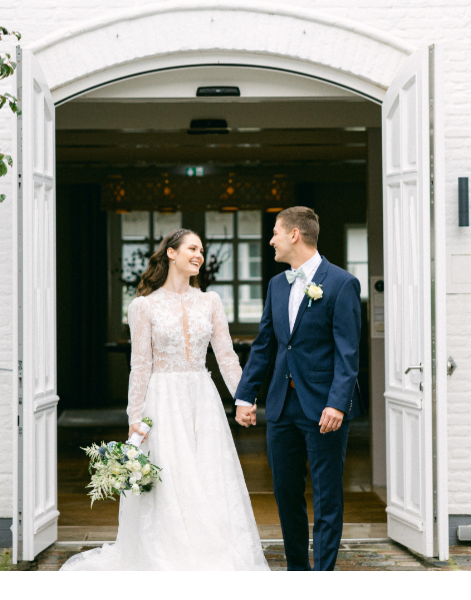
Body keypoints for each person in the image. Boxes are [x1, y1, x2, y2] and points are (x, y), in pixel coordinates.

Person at [61, 228, 269, 571]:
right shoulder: (143, 306)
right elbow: (139, 366)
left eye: (201, 249)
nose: (199, 254)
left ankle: (211, 554)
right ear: (171, 253)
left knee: (208, 475)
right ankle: (170, 558)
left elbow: (227, 356)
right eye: (192, 248)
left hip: (203, 399)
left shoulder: (211, 301)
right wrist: (134, 418)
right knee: (170, 480)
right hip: (162, 401)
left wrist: (243, 398)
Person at [234, 206, 363, 571]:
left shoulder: (341, 283)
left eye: (275, 232)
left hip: (324, 408)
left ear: (294, 234)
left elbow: (348, 352)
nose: (270, 240)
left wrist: (337, 403)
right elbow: (265, 346)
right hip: (281, 407)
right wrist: (247, 395)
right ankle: (297, 572)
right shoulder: (278, 284)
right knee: (286, 494)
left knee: (326, 496)